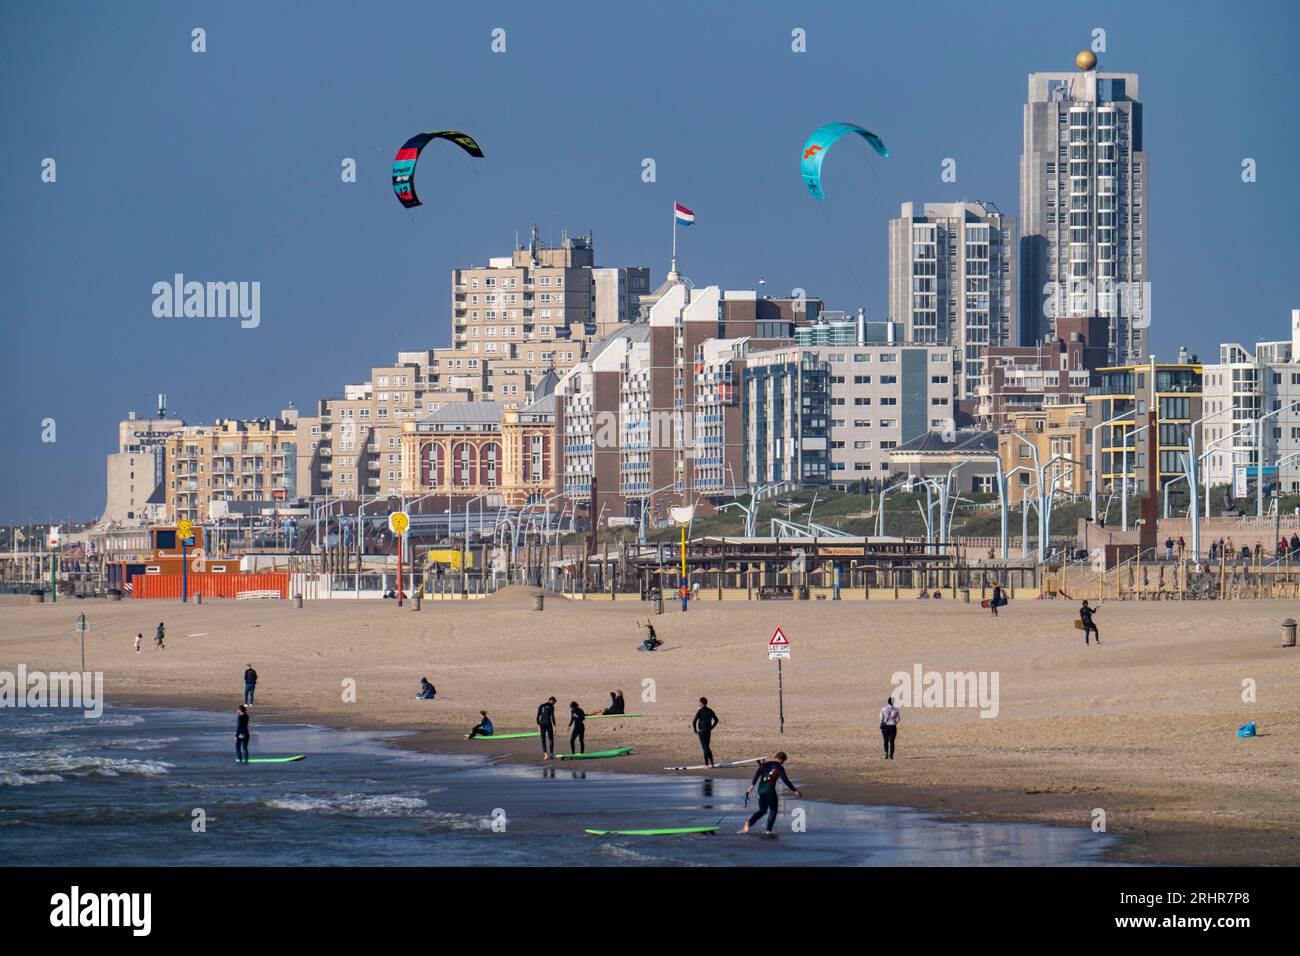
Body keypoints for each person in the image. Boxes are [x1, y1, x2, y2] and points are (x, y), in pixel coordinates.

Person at [739, 752, 801, 835]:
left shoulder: (764, 765)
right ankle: (768, 831)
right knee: (773, 811)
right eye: (783, 762)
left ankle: (749, 823)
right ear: (781, 760)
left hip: (760, 790)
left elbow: (756, 775)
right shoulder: (779, 767)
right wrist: (795, 790)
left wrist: (752, 786)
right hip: (769, 790)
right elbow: (785, 780)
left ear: (775, 757)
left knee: (762, 810)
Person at [692, 696, 719, 767]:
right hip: (708, 731)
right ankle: (711, 763)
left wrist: (695, 730)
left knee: (705, 748)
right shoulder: (710, 710)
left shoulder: (700, 711)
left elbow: (694, 721)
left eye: (699, 703)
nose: (698, 704)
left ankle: (707, 764)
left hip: (702, 732)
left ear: (701, 703)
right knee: (707, 747)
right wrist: (711, 728)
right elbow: (716, 720)